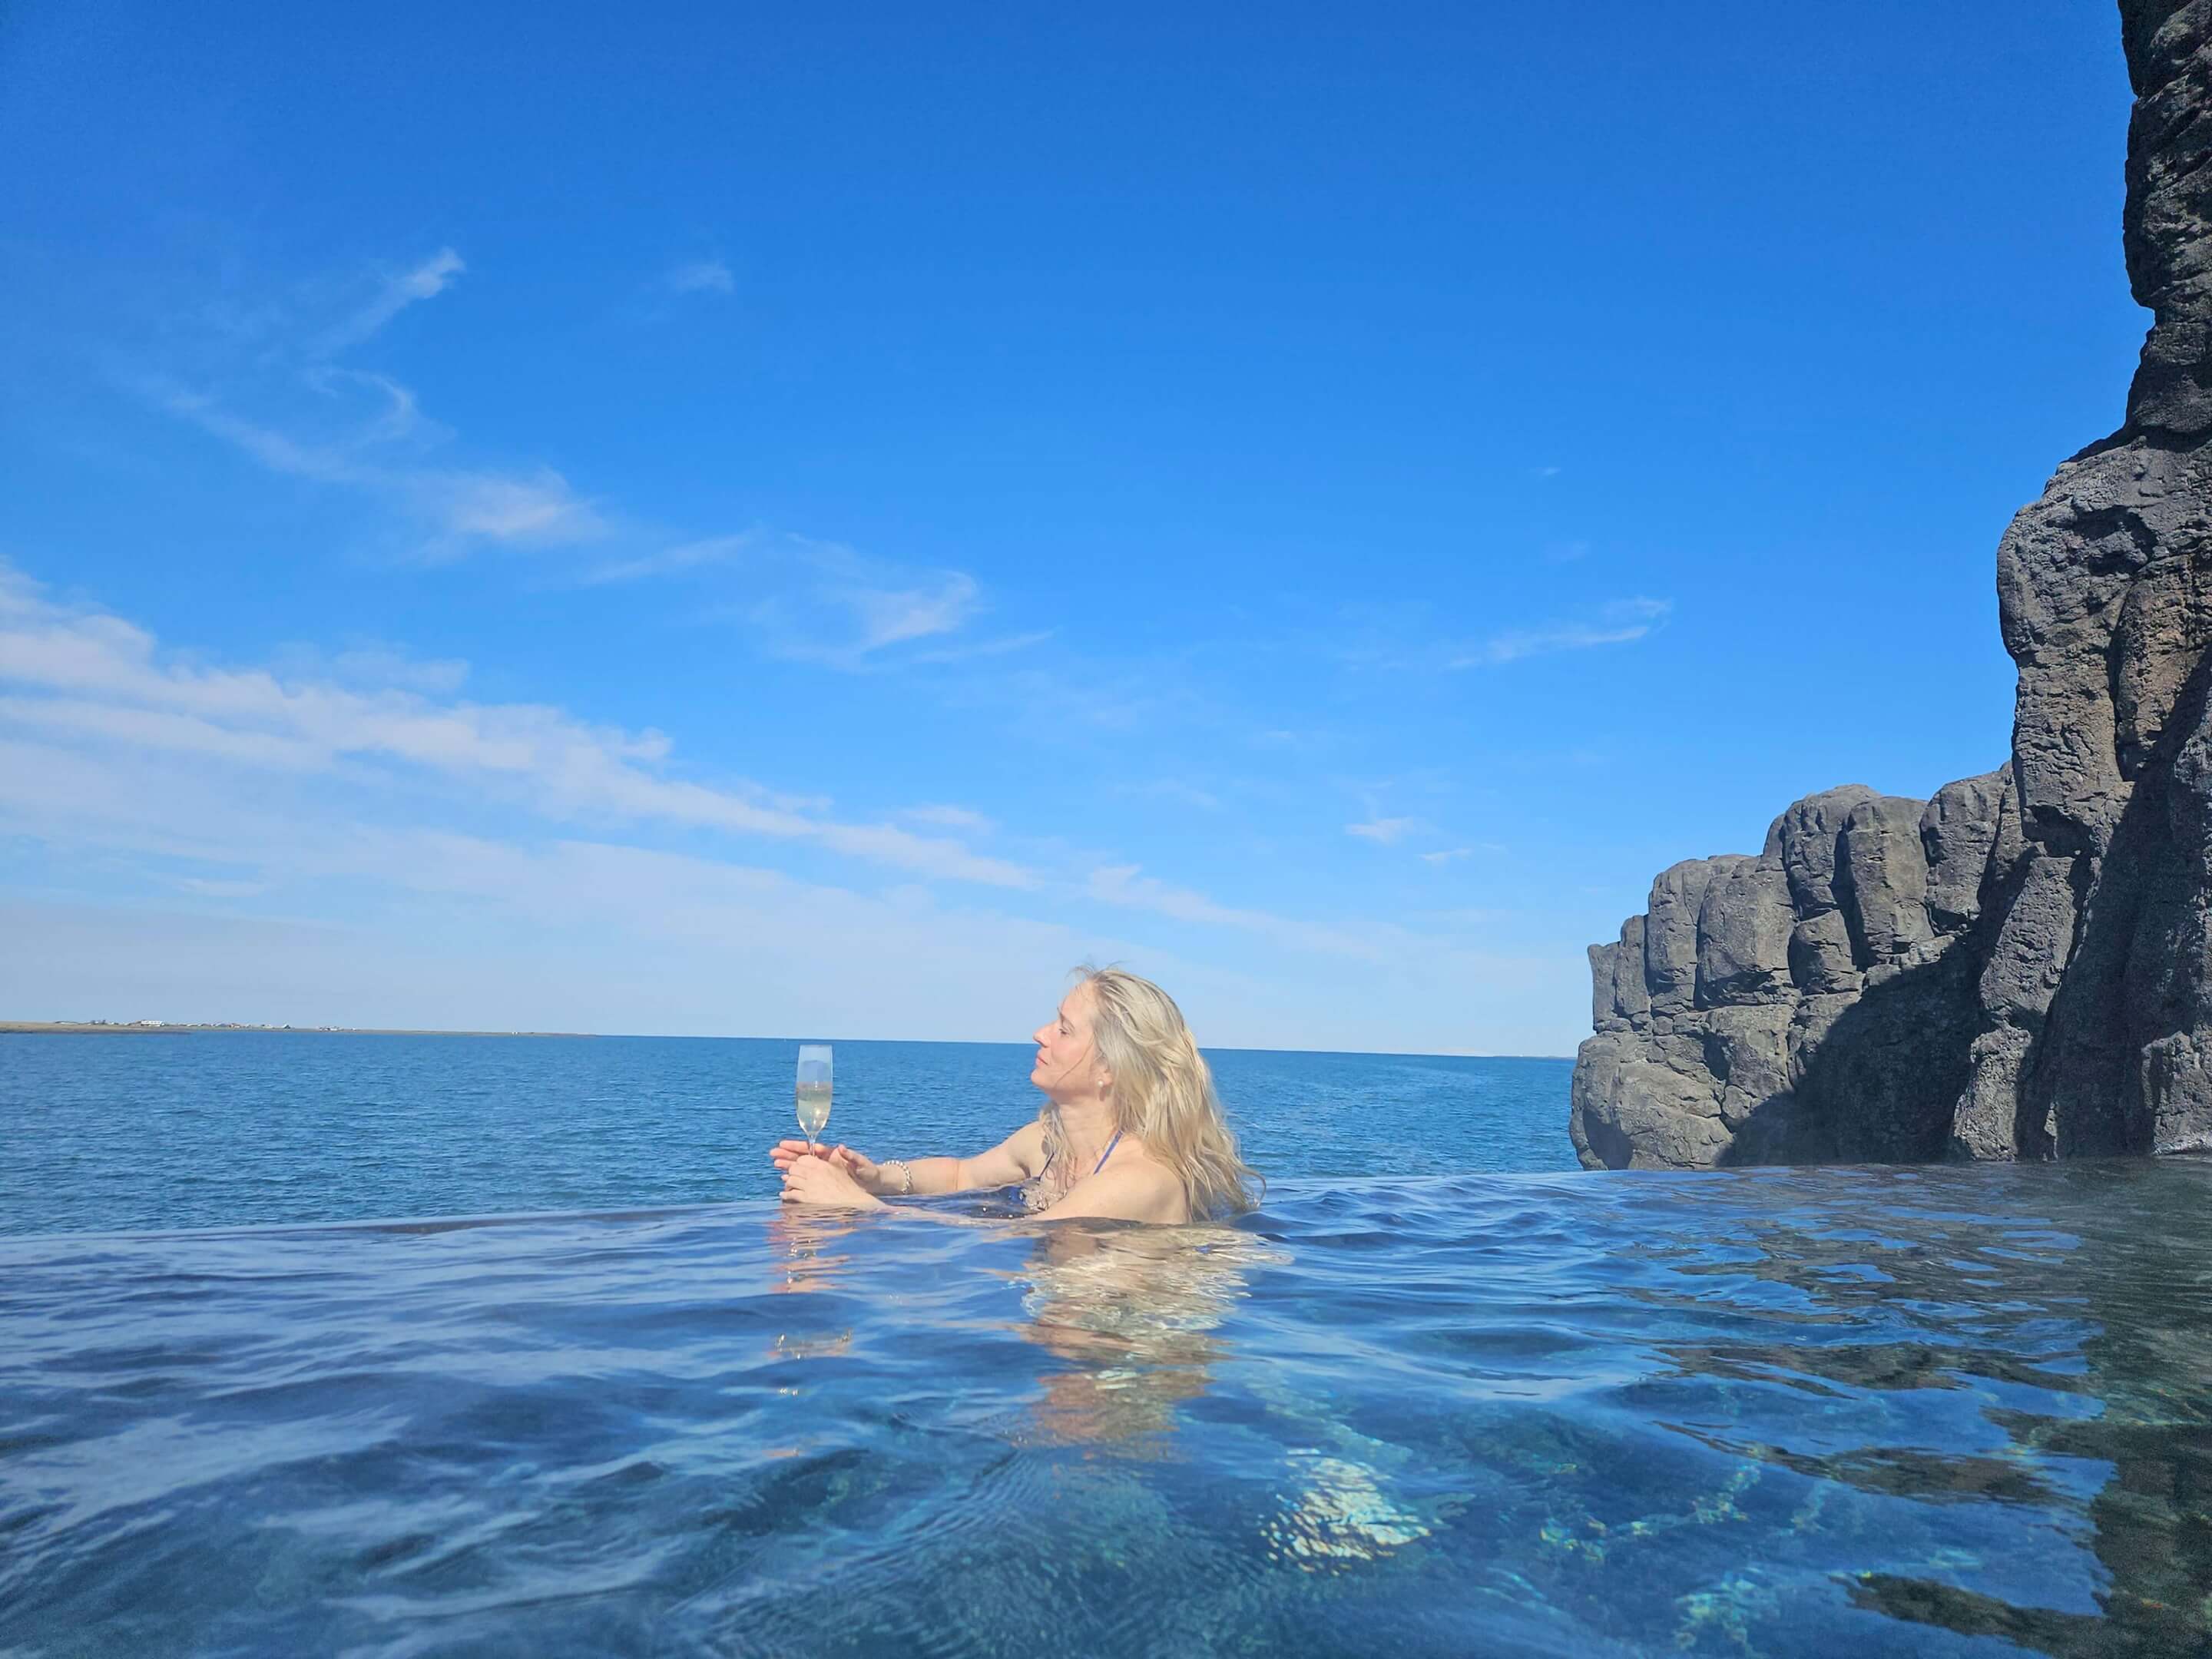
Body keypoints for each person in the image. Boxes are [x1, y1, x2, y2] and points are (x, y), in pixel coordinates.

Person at [769, 966, 1262, 1224]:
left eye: (1064, 1029)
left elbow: (1020, 1238)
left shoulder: (1139, 1179)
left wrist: (856, 1206)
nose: (1039, 1033)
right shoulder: (1047, 1142)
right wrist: (875, 1177)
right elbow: (962, 1173)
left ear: (1109, 1068)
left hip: (1126, 1348)